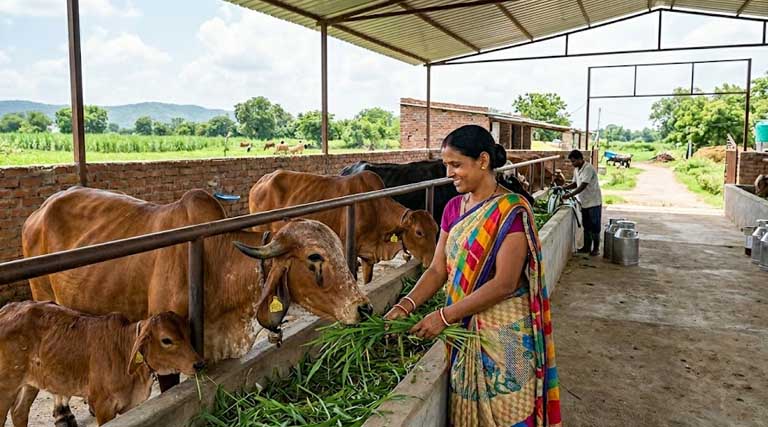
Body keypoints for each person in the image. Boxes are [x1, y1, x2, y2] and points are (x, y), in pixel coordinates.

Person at [384, 125, 561, 427]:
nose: (449, 173)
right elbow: (438, 268)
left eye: (456, 165)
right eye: (446, 165)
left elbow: (505, 283)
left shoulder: (511, 211)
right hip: (465, 331)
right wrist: (405, 306)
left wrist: (443, 316)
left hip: (507, 332)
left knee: (513, 411)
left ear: (482, 161)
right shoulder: (454, 208)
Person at [562, 150, 603, 256]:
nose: (572, 164)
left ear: (580, 159)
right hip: (584, 202)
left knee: (595, 227)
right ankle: (586, 247)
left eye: (574, 161)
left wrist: (569, 195)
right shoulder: (577, 169)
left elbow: (583, 185)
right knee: (587, 226)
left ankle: (596, 249)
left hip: (593, 202)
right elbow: (575, 183)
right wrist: (564, 188)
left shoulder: (588, 168)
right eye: (571, 162)